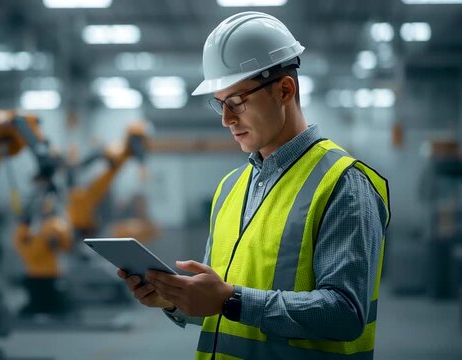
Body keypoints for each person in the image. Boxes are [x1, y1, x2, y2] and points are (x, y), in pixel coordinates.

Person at [117, 11, 390, 360]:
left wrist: (231, 300)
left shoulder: (343, 185)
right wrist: (175, 299)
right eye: (220, 104)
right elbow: (218, 304)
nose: (227, 119)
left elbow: (345, 314)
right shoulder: (231, 188)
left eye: (236, 103)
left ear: (284, 90)